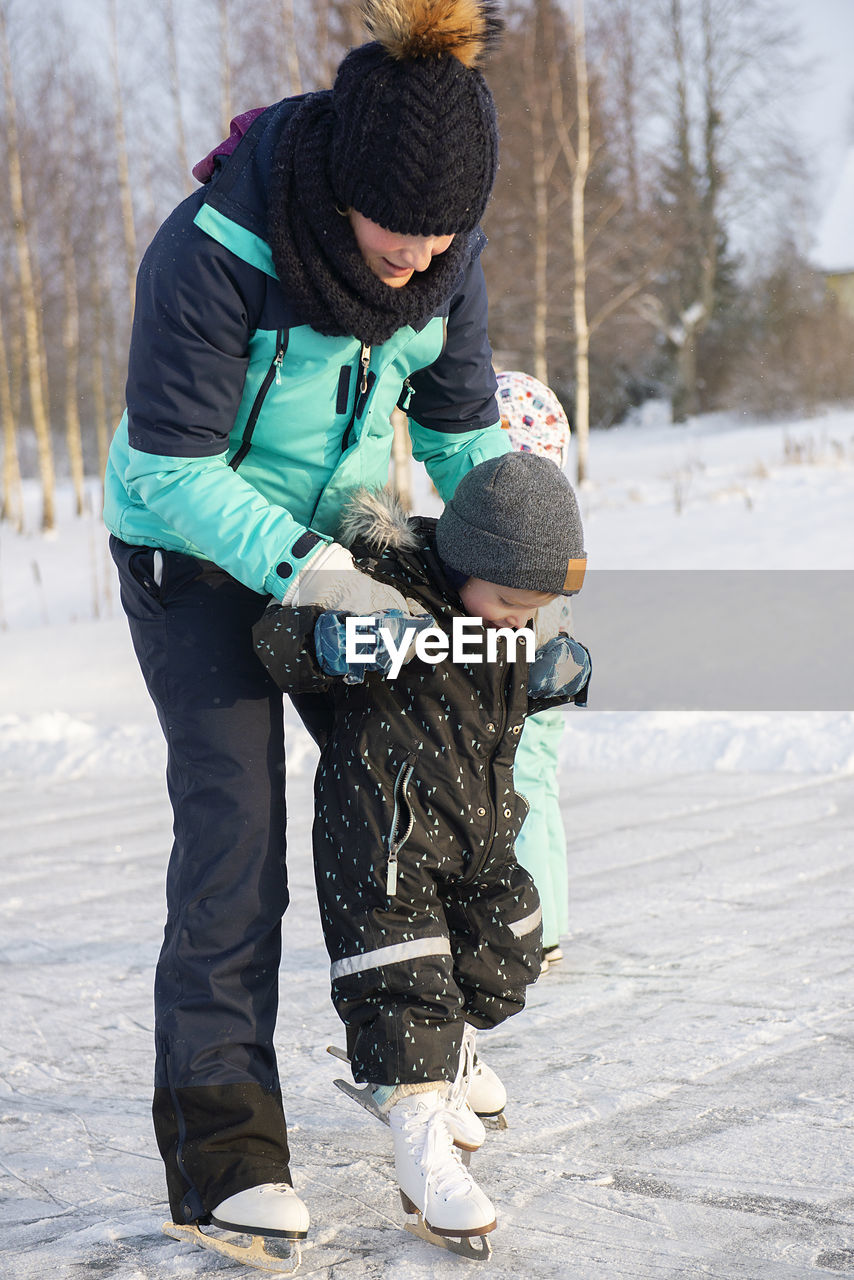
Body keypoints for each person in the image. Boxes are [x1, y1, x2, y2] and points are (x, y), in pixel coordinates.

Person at [102, 0, 516, 1253]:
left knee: (409, 794)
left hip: (339, 546)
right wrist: (307, 565)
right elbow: (168, 464)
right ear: (342, 188)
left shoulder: (441, 260)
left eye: (446, 233)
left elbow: (456, 428)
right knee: (238, 833)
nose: (420, 256)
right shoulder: (216, 246)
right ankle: (223, 1149)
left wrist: (514, 538)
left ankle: (419, 1068)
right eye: (404, 229)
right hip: (193, 555)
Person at [253, 451, 591, 1244]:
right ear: (468, 561)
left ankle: (450, 1058)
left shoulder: (501, 614)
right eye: (513, 602)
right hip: (384, 837)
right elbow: (276, 639)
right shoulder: (385, 587)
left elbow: (509, 685)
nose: (521, 619)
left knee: (507, 956)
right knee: (404, 994)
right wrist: (337, 644)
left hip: (479, 834)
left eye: (538, 609)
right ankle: (421, 1142)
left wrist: (554, 669)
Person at [495, 370, 577, 971]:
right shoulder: (558, 518)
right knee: (538, 786)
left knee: (519, 787)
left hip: (529, 674)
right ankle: (550, 920)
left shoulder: (511, 529)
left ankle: (533, 926)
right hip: (556, 668)